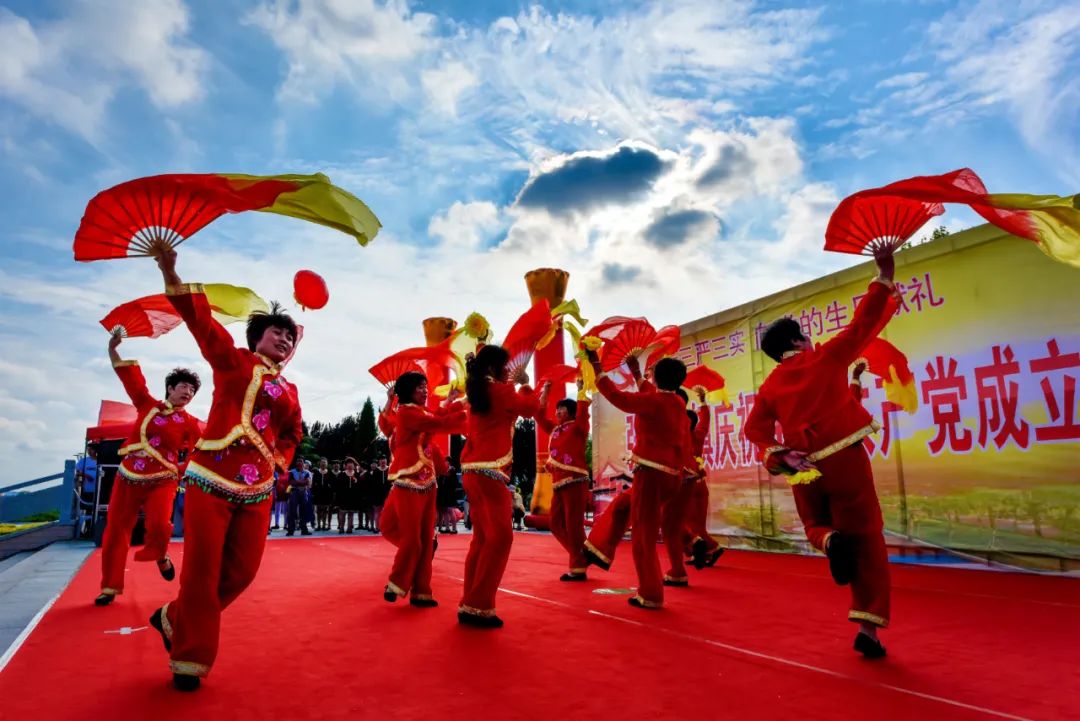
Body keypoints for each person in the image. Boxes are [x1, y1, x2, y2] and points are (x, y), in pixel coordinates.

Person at [148, 248, 302, 691]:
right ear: (257, 337)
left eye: (289, 337)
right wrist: (170, 271)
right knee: (200, 571)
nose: (284, 340)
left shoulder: (290, 389)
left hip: (259, 489)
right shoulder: (232, 361)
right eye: (277, 332)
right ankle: (189, 662)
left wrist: (278, 462)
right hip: (210, 479)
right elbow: (202, 324)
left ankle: (174, 618)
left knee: (241, 573)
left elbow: (293, 433)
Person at [744, 247, 896, 660]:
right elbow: (862, 325)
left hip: (803, 468)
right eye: (805, 334)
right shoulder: (825, 358)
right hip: (844, 460)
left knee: (815, 522)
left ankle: (828, 541)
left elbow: (752, 430)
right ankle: (869, 628)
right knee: (867, 539)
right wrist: (883, 274)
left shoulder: (771, 386)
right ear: (797, 341)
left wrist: (780, 454)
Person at [96, 333, 202, 606]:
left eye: (192, 390)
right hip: (128, 474)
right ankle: (109, 586)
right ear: (170, 388)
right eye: (183, 386)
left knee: (158, 524)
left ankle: (161, 555)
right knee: (116, 529)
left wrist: (179, 469)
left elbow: (198, 450)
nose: (188, 392)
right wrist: (113, 349)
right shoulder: (146, 404)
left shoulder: (190, 422)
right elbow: (130, 379)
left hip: (163, 479)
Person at [585, 351, 688, 610]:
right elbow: (650, 392)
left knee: (643, 533)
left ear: (658, 379)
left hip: (651, 474)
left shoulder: (653, 402)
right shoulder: (676, 402)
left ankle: (651, 594)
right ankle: (600, 548)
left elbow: (620, 398)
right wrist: (637, 372)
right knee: (623, 507)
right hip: (670, 476)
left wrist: (597, 367)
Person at [458, 345, 538, 628]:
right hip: (492, 472)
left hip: (472, 471)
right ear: (493, 368)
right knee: (501, 539)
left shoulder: (479, 393)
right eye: (505, 366)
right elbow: (531, 408)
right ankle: (479, 606)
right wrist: (526, 384)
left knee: (482, 540)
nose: (509, 371)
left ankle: (470, 601)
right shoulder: (502, 391)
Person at [380, 371, 466, 607]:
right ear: (407, 390)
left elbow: (434, 417)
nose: (425, 390)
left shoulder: (418, 413)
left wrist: (450, 402)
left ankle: (419, 591)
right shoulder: (406, 413)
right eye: (419, 386)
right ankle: (403, 581)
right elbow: (436, 421)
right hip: (407, 481)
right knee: (407, 536)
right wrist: (463, 406)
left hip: (427, 482)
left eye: (425, 386)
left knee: (423, 540)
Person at [536, 379, 591, 580]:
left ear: (571, 412)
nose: (558, 412)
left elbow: (584, 412)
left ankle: (578, 567)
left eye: (563, 409)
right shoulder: (555, 430)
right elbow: (540, 416)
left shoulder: (578, 428)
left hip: (575, 480)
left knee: (574, 525)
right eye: (557, 409)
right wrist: (546, 392)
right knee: (555, 524)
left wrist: (581, 390)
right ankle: (583, 554)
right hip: (559, 482)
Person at [683, 388, 724, 569]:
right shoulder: (688, 437)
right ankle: (697, 552)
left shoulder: (689, 438)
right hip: (692, 487)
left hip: (693, 487)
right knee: (692, 524)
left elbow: (704, 422)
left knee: (692, 525)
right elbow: (704, 422)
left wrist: (702, 402)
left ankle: (714, 548)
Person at [285, 456, 313, 536]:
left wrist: (297, 482)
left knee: (304, 511)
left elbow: (308, 483)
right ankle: (291, 530)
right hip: (294, 492)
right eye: (298, 461)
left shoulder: (307, 472)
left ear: (304, 463)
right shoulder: (291, 472)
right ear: (295, 463)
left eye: (301, 461)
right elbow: (291, 483)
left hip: (303, 492)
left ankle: (304, 529)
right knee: (292, 511)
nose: (299, 463)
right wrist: (301, 482)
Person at [312, 458, 333, 531]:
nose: (323, 464)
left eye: (325, 462)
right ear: (319, 463)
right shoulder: (316, 473)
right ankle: (318, 525)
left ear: (327, 464)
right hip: (318, 494)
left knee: (325, 510)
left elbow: (332, 484)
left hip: (326, 494)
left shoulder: (329, 473)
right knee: (318, 510)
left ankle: (324, 524)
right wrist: (313, 493)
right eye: (322, 462)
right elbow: (313, 484)